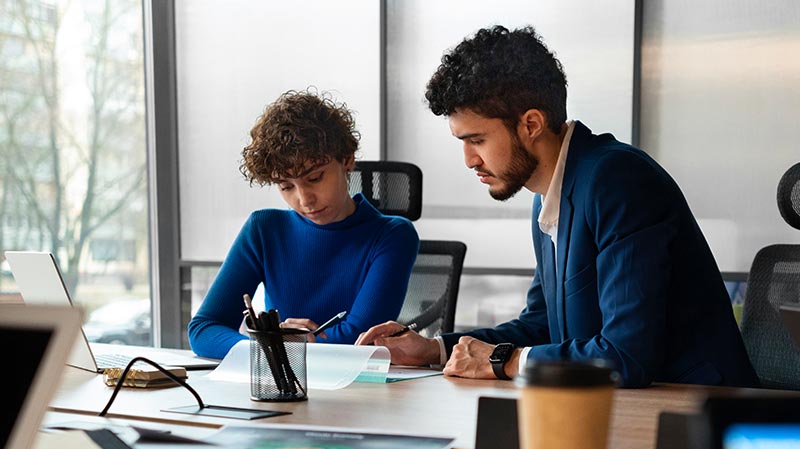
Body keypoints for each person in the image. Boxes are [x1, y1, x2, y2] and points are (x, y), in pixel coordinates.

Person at [356, 26, 757, 389]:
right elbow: (543, 325)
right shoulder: (549, 196)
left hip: (696, 412)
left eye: (476, 140)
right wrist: (433, 350)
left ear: (531, 124)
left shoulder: (616, 180)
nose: (469, 160)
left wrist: (503, 361)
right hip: (623, 408)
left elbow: (626, 356)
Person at [189, 89, 419, 359]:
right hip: (282, 386)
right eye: (286, 186)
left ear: (347, 160)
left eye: (315, 178)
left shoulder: (392, 235)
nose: (304, 199)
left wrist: (282, 345)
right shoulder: (263, 229)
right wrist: (269, 348)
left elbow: (360, 339)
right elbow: (203, 329)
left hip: (358, 390)